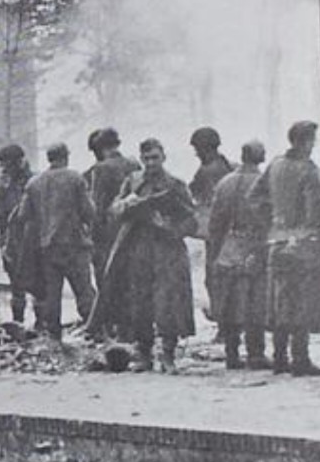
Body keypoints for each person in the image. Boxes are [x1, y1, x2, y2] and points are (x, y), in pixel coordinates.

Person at [90, 138, 196, 371]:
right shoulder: (132, 181)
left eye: (155, 158)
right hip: (137, 248)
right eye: (146, 159)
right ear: (141, 160)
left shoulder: (176, 184)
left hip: (166, 250)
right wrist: (127, 204)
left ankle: (168, 354)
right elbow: (113, 209)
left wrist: (168, 225)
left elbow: (191, 220)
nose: (151, 163)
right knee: (139, 302)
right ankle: (144, 354)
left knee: (167, 302)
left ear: (164, 157)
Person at [263, 121, 320, 376]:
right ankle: (300, 359)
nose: (313, 145)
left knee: (280, 301)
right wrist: (312, 227)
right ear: (305, 142)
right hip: (301, 243)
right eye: (312, 140)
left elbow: (255, 197)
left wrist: (272, 223)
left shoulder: (275, 164)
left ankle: (280, 357)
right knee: (301, 302)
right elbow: (316, 209)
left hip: (276, 240)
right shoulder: (308, 170)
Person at [12, 141, 95, 340]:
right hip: (74, 245)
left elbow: (23, 215)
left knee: (52, 295)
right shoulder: (75, 178)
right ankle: (94, 331)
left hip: (47, 247)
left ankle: (54, 336)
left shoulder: (34, 183)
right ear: (66, 156)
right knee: (84, 291)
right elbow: (89, 211)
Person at [205, 140, 270, 368]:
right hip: (256, 245)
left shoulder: (225, 183)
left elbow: (215, 223)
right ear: (259, 156)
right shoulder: (263, 182)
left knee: (231, 302)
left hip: (229, 245)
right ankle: (256, 353)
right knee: (255, 302)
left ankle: (231, 353)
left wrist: (216, 251)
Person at [85, 128, 139, 294]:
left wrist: (93, 236)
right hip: (135, 229)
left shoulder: (101, 169)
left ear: (99, 148)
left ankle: (112, 317)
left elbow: (98, 206)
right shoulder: (134, 163)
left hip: (109, 232)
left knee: (108, 277)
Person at [0, 144, 35, 325]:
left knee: (37, 283)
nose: (5, 169)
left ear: (19, 162)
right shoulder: (5, 183)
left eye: (7, 165)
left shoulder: (33, 180)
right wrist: (1, 189)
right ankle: (18, 323)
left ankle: (41, 324)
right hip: (10, 240)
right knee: (16, 285)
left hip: (29, 238)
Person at [187, 127, 233, 238]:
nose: (196, 154)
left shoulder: (208, 171)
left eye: (197, 150)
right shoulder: (227, 164)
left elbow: (205, 201)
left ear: (205, 149)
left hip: (218, 228)